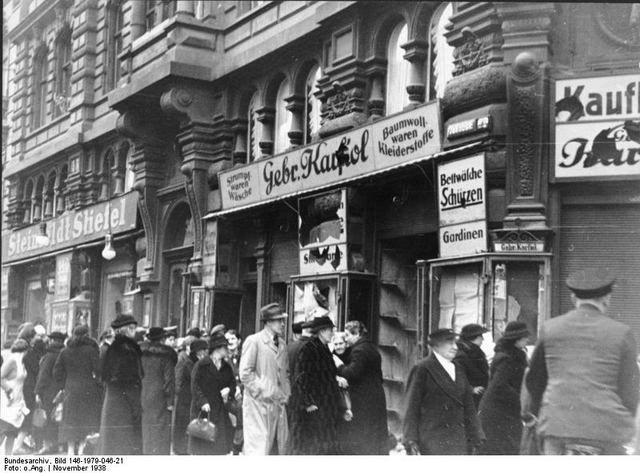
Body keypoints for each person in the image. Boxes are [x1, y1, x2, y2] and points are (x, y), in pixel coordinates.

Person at [525, 268, 640, 455]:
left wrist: (546, 413)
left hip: (557, 427)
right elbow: (630, 389)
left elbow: (534, 380)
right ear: (606, 299)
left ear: (573, 299)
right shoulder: (622, 333)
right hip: (606, 430)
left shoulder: (550, 329)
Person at [403, 328, 483, 455]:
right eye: (450, 343)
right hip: (433, 440)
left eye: (455, 343)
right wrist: (410, 439)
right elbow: (411, 407)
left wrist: (477, 434)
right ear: (436, 345)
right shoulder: (422, 368)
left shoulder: (458, 369)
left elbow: (468, 405)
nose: (455, 347)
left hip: (459, 439)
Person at [290, 315, 348, 455]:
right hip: (316, 406)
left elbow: (327, 375)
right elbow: (301, 377)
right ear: (321, 331)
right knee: (315, 446)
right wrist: (308, 403)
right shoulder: (309, 348)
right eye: (330, 330)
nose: (332, 333)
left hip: (327, 406)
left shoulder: (325, 349)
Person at [240, 303, 290, 455]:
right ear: (268, 322)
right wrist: (264, 390)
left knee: (278, 448)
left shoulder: (282, 344)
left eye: (282, 320)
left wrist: (286, 394)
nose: (282, 324)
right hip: (258, 406)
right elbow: (245, 373)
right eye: (278, 320)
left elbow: (285, 373)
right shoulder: (254, 341)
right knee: (259, 451)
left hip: (278, 406)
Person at [334, 321, 388, 455]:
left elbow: (352, 373)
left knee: (363, 435)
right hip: (375, 396)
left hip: (364, 399)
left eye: (347, 335)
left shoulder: (359, 350)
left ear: (356, 334)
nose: (345, 338)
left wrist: (339, 365)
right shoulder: (370, 347)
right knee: (375, 435)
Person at [478, 321, 529, 455]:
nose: (527, 340)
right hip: (498, 415)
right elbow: (499, 386)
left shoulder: (513, 355)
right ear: (516, 339)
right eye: (524, 337)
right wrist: (521, 401)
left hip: (504, 412)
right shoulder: (507, 358)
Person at [99, 314, 144, 455]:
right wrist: (136, 407)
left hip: (112, 403)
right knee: (123, 445)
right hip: (124, 405)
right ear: (125, 330)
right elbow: (129, 382)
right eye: (132, 328)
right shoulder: (127, 350)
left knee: (112, 445)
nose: (134, 331)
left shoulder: (112, 348)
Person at [53, 325, 102, 455]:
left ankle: (70, 450)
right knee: (85, 418)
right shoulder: (91, 350)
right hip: (88, 389)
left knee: (70, 419)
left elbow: (57, 372)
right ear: (87, 334)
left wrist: (63, 385)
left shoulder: (65, 351)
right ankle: (81, 449)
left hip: (70, 388)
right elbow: (98, 370)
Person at [188, 332, 236, 455]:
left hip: (220, 410)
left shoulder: (226, 367)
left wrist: (229, 390)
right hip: (204, 409)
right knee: (203, 446)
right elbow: (195, 385)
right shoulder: (201, 365)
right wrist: (202, 401)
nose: (227, 350)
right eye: (225, 347)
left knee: (219, 446)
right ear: (217, 349)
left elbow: (232, 383)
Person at [140, 327, 178, 455]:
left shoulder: (141, 354)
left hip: (143, 395)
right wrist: (170, 402)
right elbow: (169, 381)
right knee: (160, 432)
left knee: (146, 430)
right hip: (160, 398)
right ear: (162, 339)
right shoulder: (166, 356)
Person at [172, 338, 208, 455]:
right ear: (197, 352)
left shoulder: (191, 361)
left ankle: (184, 449)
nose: (204, 353)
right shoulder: (189, 363)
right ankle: (182, 449)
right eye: (202, 351)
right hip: (186, 399)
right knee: (185, 424)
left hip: (188, 399)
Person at [34, 331, 67, 454]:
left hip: (48, 391)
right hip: (60, 391)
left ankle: (46, 446)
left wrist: (37, 392)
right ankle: (57, 445)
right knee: (57, 418)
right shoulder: (63, 354)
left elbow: (43, 375)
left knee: (47, 418)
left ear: (53, 341)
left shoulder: (49, 356)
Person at [20, 324, 48, 453]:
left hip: (29, 385)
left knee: (33, 412)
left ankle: (30, 440)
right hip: (32, 385)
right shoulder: (34, 352)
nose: (41, 338)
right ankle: (30, 440)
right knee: (33, 412)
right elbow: (37, 370)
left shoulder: (30, 351)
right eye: (39, 336)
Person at [0, 339, 29, 455]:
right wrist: (8, 391)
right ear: (25, 350)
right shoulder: (12, 360)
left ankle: (8, 458)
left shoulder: (21, 361)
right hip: (7, 400)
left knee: (12, 432)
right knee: (3, 430)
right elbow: (0, 377)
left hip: (18, 400)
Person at [454, 323, 489, 408]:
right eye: (480, 336)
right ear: (473, 338)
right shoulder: (461, 355)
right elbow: (457, 377)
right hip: (468, 399)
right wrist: (471, 389)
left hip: (477, 397)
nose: (483, 339)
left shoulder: (475, 352)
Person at [225, 329, 244, 455]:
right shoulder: (223, 357)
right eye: (228, 340)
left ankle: (237, 446)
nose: (230, 342)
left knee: (241, 415)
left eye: (233, 339)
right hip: (226, 394)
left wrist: (241, 388)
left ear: (239, 341)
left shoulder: (245, 356)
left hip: (242, 394)